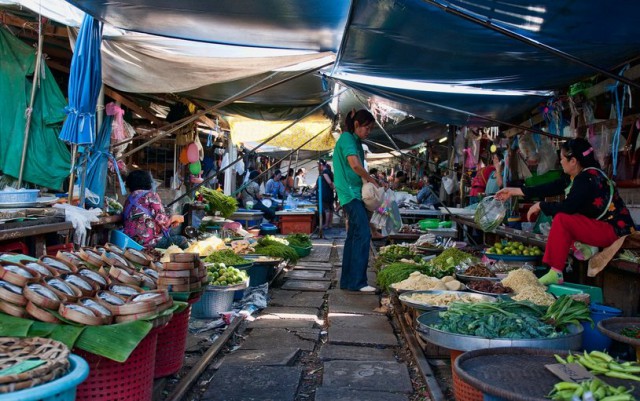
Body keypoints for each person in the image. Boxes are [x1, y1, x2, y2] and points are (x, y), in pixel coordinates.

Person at [496, 138, 636, 285]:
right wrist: (513, 191)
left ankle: (555, 272)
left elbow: (567, 207)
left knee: (562, 219)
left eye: (562, 158)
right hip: (606, 227)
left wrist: (541, 205)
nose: (560, 162)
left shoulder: (586, 178)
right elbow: (550, 187)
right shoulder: (578, 176)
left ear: (573, 161)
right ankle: (565, 263)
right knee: (564, 219)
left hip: (615, 231)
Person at [333, 109, 379, 292]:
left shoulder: (356, 142)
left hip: (354, 194)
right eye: (367, 127)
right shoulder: (347, 138)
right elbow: (354, 165)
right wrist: (372, 179)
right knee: (363, 234)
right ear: (357, 125)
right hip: (350, 195)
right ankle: (358, 282)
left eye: (371, 128)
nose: (369, 131)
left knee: (353, 236)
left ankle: (347, 281)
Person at [123, 170, 188, 249]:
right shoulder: (150, 195)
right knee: (182, 240)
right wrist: (173, 219)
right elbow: (162, 221)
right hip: (147, 242)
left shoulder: (129, 199)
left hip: (129, 240)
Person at [317, 159, 335, 230]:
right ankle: (330, 224)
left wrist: (332, 187)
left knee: (327, 209)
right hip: (329, 192)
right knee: (330, 209)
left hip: (325, 192)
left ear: (321, 165)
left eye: (318, 166)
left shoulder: (324, 172)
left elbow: (329, 182)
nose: (318, 167)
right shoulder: (330, 171)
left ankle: (326, 224)